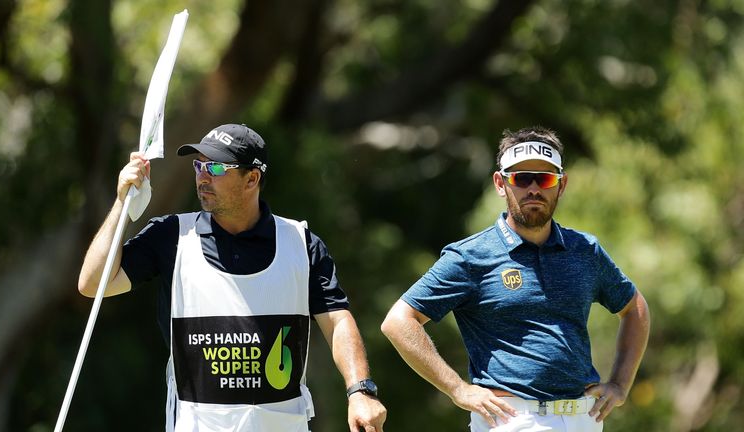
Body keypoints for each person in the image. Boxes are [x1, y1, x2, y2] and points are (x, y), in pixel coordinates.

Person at [78, 124, 386, 432]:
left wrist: (360, 390)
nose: (202, 175)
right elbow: (93, 284)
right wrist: (122, 205)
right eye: (198, 165)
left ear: (252, 178)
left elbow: (338, 321)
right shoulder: (171, 235)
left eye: (215, 166)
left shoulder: (301, 243)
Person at [381, 126, 650, 432]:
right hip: (510, 419)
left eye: (545, 179)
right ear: (500, 183)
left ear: (561, 186)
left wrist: (619, 384)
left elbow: (634, 309)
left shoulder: (585, 250)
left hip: (583, 418)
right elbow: (399, 321)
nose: (533, 189)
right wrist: (457, 389)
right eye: (522, 178)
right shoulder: (471, 256)